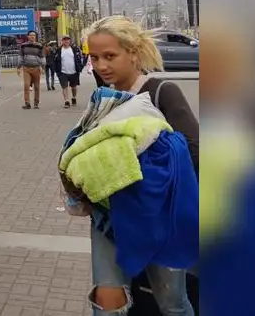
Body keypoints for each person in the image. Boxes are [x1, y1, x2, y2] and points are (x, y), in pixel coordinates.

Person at [84, 16, 199, 316]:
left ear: (132, 52)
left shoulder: (161, 91)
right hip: (109, 217)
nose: (101, 65)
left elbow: (194, 151)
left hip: (159, 217)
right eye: (94, 58)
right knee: (108, 301)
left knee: (172, 303)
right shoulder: (103, 98)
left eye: (110, 56)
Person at [54, 35, 85, 109]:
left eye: (67, 40)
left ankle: (74, 97)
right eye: (64, 40)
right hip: (63, 72)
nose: (66, 41)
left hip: (74, 72)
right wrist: (57, 71)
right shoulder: (59, 50)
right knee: (64, 87)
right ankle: (66, 101)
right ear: (62, 41)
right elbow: (55, 61)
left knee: (73, 87)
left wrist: (80, 68)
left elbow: (80, 59)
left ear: (70, 41)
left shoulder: (74, 49)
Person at [17, 30, 45, 109]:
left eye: (34, 35)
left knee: (36, 87)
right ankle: (27, 103)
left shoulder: (39, 46)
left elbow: (42, 57)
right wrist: (19, 67)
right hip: (26, 68)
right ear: (28, 36)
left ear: (35, 37)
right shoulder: (23, 46)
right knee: (26, 85)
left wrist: (43, 67)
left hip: (36, 68)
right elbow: (20, 57)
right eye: (30, 35)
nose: (32, 37)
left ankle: (36, 103)